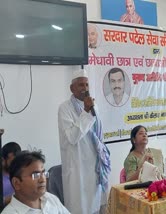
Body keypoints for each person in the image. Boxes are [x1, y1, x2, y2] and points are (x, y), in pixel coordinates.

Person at [58, 69, 111, 214]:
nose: (85, 89)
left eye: (87, 85)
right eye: (81, 85)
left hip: (96, 169)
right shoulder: (65, 108)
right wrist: (86, 112)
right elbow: (73, 137)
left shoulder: (95, 106)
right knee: (81, 209)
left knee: (99, 206)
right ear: (72, 88)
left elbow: (99, 137)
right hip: (78, 171)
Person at [1, 150, 70, 214]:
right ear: (16, 183)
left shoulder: (50, 198)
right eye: (36, 175)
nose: (43, 179)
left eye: (43, 173)